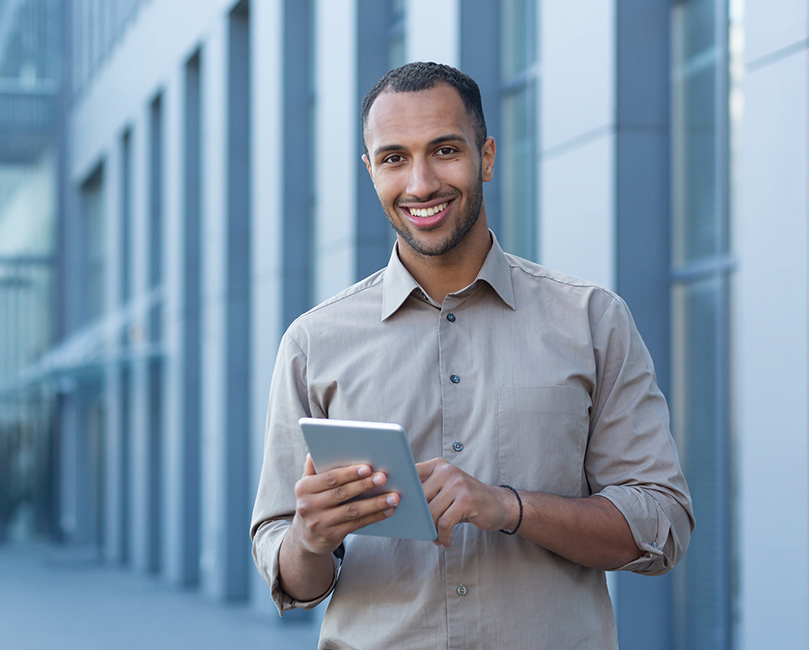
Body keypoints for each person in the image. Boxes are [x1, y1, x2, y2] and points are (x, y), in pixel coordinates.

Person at [250, 62, 693, 649]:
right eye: (394, 159)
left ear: (485, 156)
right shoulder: (312, 342)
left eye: (445, 150)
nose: (420, 183)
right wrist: (309, 538)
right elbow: (290, 577)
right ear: (371, 171)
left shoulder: (591, 320)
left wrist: (507, 507)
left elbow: (661, 526)